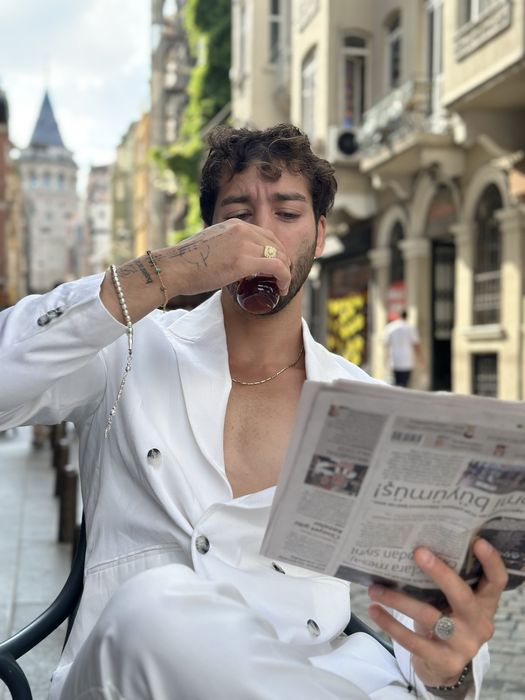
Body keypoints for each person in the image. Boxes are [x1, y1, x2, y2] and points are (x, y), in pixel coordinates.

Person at [0, 124, 506, 700]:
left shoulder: (364, 403)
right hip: (138, 671)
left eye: (287, 213)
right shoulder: (127, 351)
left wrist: (449, 666)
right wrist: (165, 272)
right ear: (207, 237)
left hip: (324, 674)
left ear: (319, 236)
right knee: (154, 603)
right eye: (239, 215)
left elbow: (429, 621)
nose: (262, 234)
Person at [383, 310, 423, 387]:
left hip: (394, 360)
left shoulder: (390, 327)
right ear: (407, 317)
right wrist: (421, 359)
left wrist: (385, 359)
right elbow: (416, 345)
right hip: (407, 360)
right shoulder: (410, 328)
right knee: (404, 383)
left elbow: (386, 344)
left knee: (396, 383)